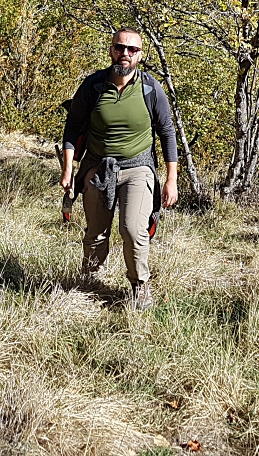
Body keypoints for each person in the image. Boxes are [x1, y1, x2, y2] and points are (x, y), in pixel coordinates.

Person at [60, 28, 179, 309]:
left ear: (140, 55)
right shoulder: (93, 86)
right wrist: (68, 168)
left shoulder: (151, 89)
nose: (125, 54)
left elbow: (167, 132)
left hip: (138, 167)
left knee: (132, 230)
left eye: (132, 50)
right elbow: (73, 126)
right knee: (96, 231)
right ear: (111, 49)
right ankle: (89, 280)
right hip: (98, 167)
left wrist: (171, 179)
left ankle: (140, 286)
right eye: (119, 47)